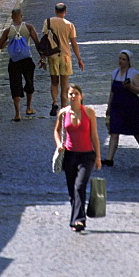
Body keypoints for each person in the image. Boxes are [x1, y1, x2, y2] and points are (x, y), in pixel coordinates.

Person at [54, 84, 102, 232]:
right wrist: (59, 144)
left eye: (75, 93)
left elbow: (94, 135)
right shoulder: (63, 113)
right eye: (70, 94)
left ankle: (79, 220)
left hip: (86, 155)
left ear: (81, 96)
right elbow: (56, 131)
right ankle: (76, 219)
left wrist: (98, 157)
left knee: (79, 186)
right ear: (67, 96)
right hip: (69, 155)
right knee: (71, 190)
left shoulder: (89, 112)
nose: (73, 96)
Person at [102, 49, 139, 166]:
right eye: (120, 59)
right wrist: (109, 106)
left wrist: (130, 87)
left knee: (136, 132)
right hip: (117, 107)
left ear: (128, 61)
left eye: (123, 59)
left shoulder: (134, 74)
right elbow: (112, 91)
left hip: (131, 108)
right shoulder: (115, 73)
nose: (121, 61)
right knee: (114, 132)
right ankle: (109, 159)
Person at [40, 2, 84, 116]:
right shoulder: (69, 25)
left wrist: (43, 57)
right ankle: (64, 107)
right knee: (64, 84)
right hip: (65, 56)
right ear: (65, 12)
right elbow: (74, 44)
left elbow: (44, 41)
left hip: (52, 56)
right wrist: (79, 58)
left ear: (55, 11)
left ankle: (54, 102)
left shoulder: (48, 22)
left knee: (54, 82)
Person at [0, 8, 40, 121]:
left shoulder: (8, 31)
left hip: (14, 61)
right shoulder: (29, 27)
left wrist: (9, 41)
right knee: (29, 82)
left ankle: (17, 114)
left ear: (12, 17)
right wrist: (43, 57)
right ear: (21, 16)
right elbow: (37, 42)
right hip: (27, 59)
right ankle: (29, 108)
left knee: (15, 85)